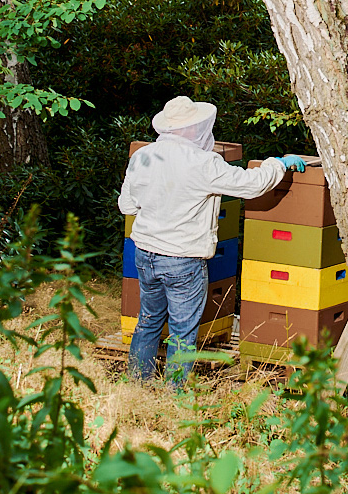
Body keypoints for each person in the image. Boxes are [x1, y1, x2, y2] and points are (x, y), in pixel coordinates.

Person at [118, 94, 306, 384]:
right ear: (194, 128)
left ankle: (136, 386)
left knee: (148, 322)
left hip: (144, 253)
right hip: (182, 259)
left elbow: (127, 206)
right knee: (183, 332)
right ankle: (174, 395)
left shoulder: (143, 156)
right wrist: (277, 164)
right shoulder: (203, 162)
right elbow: (251, 184)